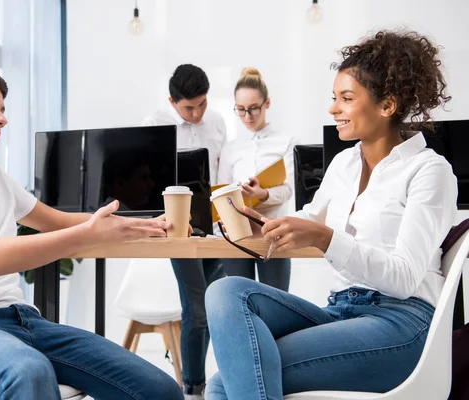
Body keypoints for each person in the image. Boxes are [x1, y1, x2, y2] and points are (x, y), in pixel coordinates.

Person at [0, 65, 183, 400]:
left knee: (159, 389)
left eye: (2, 110)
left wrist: (129, 225)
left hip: (21, 321)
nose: (2, 119)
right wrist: (90, 234)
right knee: (27, 371)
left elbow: (55, 221)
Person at [205, 30, 457, 399]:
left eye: (346, 99)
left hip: (401, 322)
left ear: (387, 105)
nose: (333, 108)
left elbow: (403, 277)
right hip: (340, 311)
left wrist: (324, 238)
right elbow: (310, 217)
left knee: (225, 383)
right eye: (334, 98)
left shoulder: (428, 171)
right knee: (226, 292)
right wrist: (260, 224)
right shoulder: (344, 163)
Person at [143, 64, 227, 399]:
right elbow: (148, 181)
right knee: (196, 307)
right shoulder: (156, 126)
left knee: (212, 306)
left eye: (202, 104)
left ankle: (206, 383)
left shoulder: (218, 123)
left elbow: (222, 171)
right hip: (178, 227)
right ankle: (192, 388)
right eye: (189, 107)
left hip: (215, 226)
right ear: (172, 101)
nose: (197, 113)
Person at [217, 67, 298, 289]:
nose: (247, 116)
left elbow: (289, 189)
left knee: (277, 301)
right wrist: (236, 194)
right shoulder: (231, 148)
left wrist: (262, 194)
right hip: (237, 234)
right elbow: (220, 193)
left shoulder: (286, 141)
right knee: (239, 301)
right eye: (240, 110)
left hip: (274, 232)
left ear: (267, 104)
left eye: (253, 109)